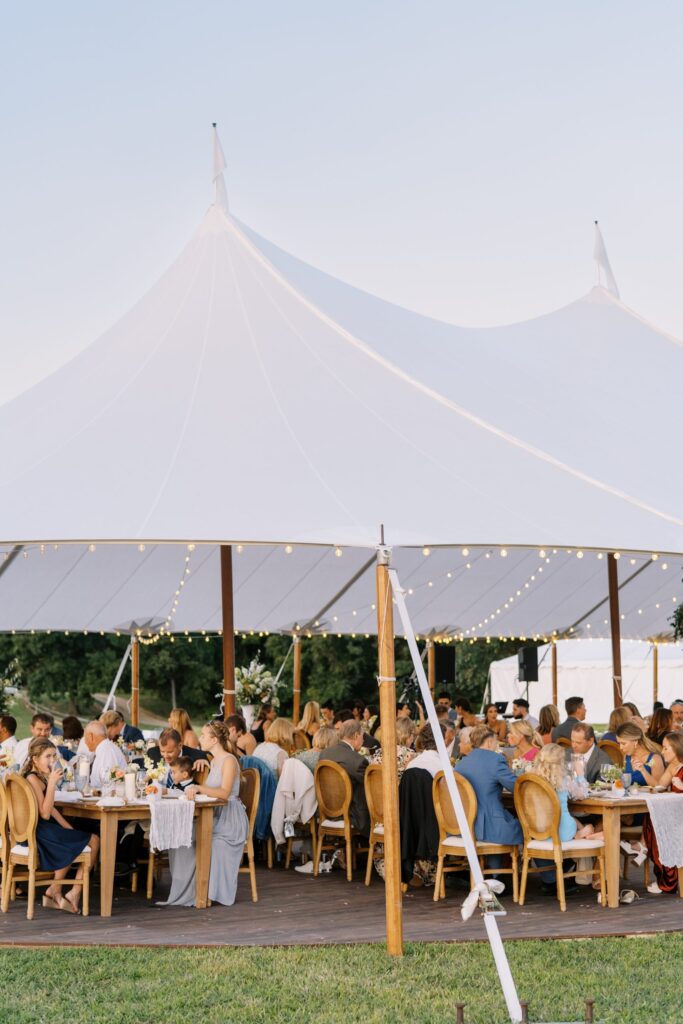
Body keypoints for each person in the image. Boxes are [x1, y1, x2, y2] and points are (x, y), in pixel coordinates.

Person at [161, 720, 248, 907]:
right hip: (215, 815)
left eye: (203, 735)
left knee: (196, 836)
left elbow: (224, 794)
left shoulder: (229, 760)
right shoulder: (214, 760)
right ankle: (186, 890)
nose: (199, 738)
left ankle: (199, 892)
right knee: (181, 834)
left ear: (214, 740)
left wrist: (200, 787)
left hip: (230, 820)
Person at [21, 737, 99, 913]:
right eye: (47, 757)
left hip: (41, 829)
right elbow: (46, 813)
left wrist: (67, 827)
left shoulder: (38, 777)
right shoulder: (33, 779)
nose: (52, 761)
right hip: (38, 832)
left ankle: (54, 890)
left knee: (73, 837)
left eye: (54, 757)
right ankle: (74, 893)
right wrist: (52, 785)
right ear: (35, 759)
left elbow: (53, 810)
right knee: (94, 841)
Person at [455, 725, 522, 849]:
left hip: (464, 827)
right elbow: (517, 786)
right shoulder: (495, 760)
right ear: (490, 742)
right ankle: (506, 867)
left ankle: (494, 866)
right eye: (496, 742)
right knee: (527, 828)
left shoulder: (460, 764)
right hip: (491, 827)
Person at [637, 732, 683, 894]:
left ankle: (668, 881)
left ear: (676, 748)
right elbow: (658, 787)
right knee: (651, 820)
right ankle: (664, 876)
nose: (662, 752)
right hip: (676, 814)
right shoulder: (672, 767)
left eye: (665, 748)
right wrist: (643, 770)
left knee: (655, 824)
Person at [319, 719, 369, 834]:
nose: (364, 739)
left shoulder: (324, 753)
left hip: (326, 812)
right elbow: (369, 787)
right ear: (356, 735)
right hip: (352, 816)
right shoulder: (358, 761)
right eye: (362, 735)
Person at [616, 721, 665, 786]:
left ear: (635, 742)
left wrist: (643, 771)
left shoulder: (654, 759)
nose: (620, 747)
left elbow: (659, 788)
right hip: (632, 795)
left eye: (623, 743)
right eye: (619, 743)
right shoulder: (627, 757)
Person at [83, 721, 127, 789]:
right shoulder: (104, 748)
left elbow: (109, 784)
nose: (85, 742)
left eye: (85, 738)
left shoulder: (107, 751)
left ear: (91, 736)